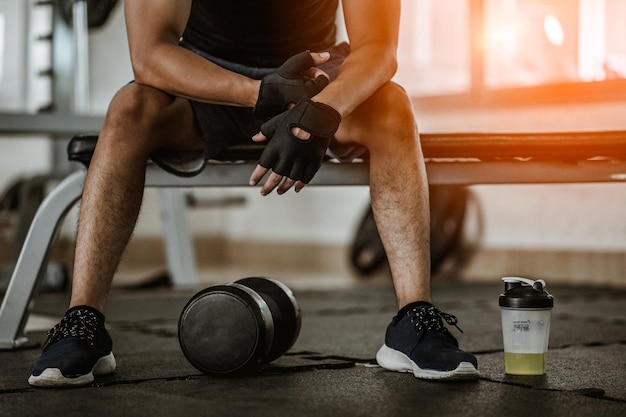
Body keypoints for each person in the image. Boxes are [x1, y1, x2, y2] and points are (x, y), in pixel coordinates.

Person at [28, 0, 479, 387]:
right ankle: (82, 321)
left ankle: (413, 321)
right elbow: (149, 55)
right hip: (205, 78)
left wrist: (322, 109)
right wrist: (259, 92)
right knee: (128, 109)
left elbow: (378, 49)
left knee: (394, 106)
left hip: (315, 78)